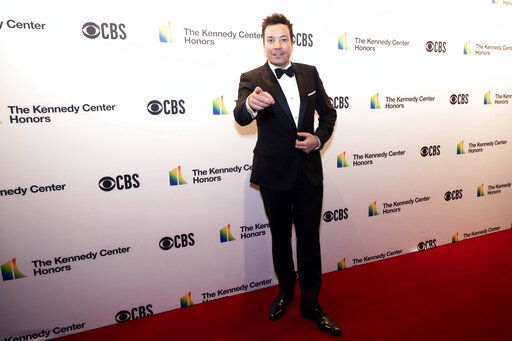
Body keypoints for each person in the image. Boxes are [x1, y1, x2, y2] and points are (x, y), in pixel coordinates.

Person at [233, 13, 340, 337]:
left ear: (292, 41)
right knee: (280, 239)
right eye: (271, 40)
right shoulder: (251, 78)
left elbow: (329, 112)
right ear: (263, 43)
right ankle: (285, 294)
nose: (277, 46)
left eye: (283, 39)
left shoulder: (309, 73)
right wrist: (251, 104)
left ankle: (311, 303)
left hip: (308, 173)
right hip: (273, 174)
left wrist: (318, 138)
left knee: (309, 240)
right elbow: (240, 116)